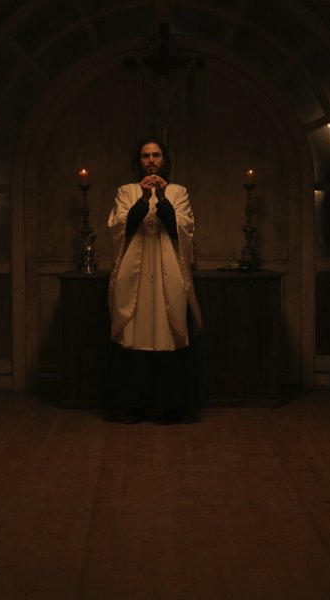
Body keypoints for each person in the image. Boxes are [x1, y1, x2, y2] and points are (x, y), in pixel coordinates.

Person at [106, 137, 202, 424]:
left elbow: (182, 230)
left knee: (169, 334)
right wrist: (142, 199)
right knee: (134, 337)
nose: (150, 160)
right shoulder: (126, 191)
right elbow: (120, 228)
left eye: (156, 155)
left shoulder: (177, 192)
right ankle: (133, 406)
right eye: (145, 155)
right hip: (134, 275)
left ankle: (172, 407)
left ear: (164, 160)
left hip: (167, 273)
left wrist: (160, 199)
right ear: (138, 161)